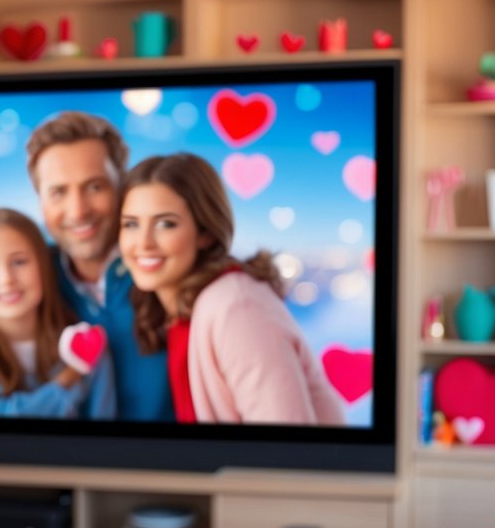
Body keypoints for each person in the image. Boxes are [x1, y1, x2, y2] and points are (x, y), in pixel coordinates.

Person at [0, 112, 173, 422]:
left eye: (95, 187)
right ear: (40, 201)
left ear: (122, 188)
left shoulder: (163, 268)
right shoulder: (36, 274)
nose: (78, 210)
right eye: (58, 192)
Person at [118, 152, 345, 425]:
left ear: (205, 232)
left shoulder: (237, 308)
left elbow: (287, 452)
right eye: (131, 224)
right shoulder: (177, 314)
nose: (143, 243)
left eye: (165, 224)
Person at [0, 208, 115, 418]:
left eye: (19, 262)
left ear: (42, 267)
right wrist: (67, 380)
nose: (6, 279)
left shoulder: (87, 345)